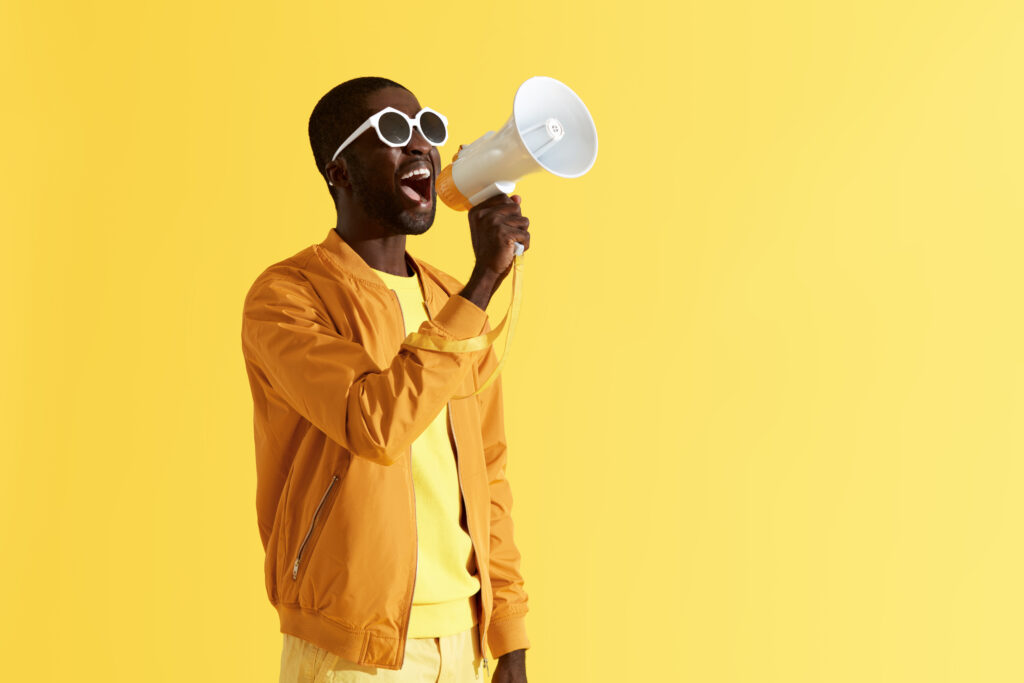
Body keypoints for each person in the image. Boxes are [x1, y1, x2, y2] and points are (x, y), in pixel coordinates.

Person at [240, 76, 531, 683]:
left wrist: (509, 637)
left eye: (427, 130)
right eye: (394, 133)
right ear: (339, 170)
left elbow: (490, 470)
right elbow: (373, 424)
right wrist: (482, 283)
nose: (421, 147)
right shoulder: (288, 297)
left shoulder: (448, 298)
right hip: (355, 653)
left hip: (466, 641)